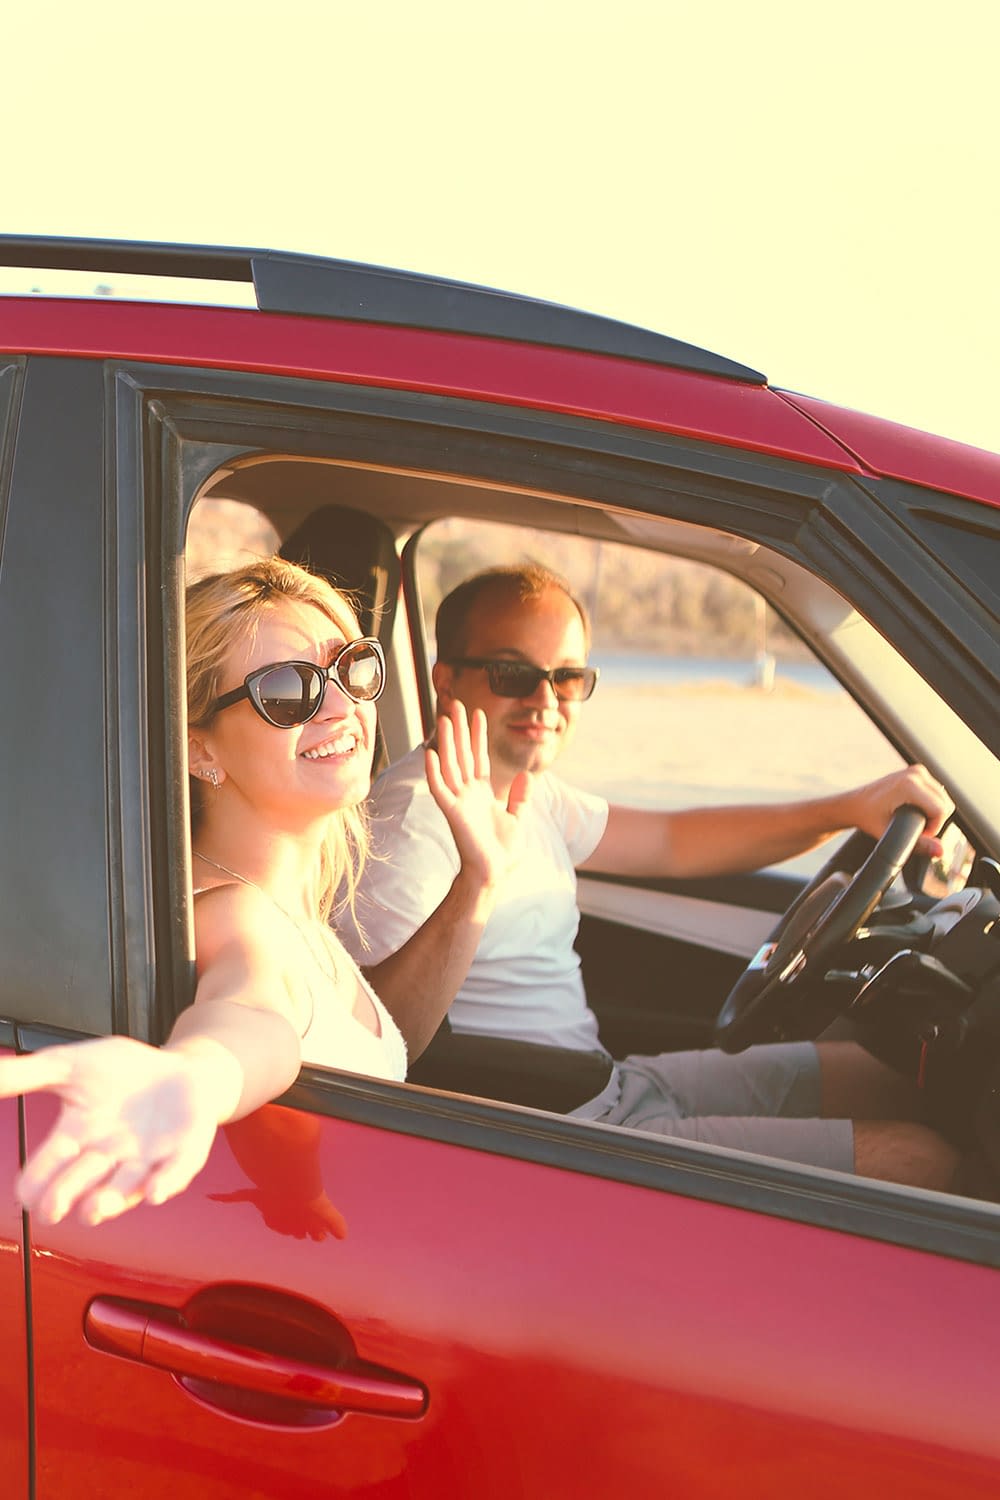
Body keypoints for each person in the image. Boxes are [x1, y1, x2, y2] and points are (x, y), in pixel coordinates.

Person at [343, 564, 960, 1190]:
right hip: (560, 1124)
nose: (545, 699)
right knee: (924, 1164)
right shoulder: (415, 821)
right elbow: (376, 1041)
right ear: (444, 680)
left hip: (606, 1082)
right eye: (513, 673)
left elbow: (672, 843)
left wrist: (846, 808)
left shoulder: (528, 793)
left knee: (894, 1080)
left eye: (568, 677)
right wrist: (478, 881)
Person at [0, 557, 408, 1228]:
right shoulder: (238, 912)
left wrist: (300, 1186)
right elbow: (252, 1014)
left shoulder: (294, 906)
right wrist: (196, 1078)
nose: (341, 707)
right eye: (287, 692)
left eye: (351, 667)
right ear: (199, 751)